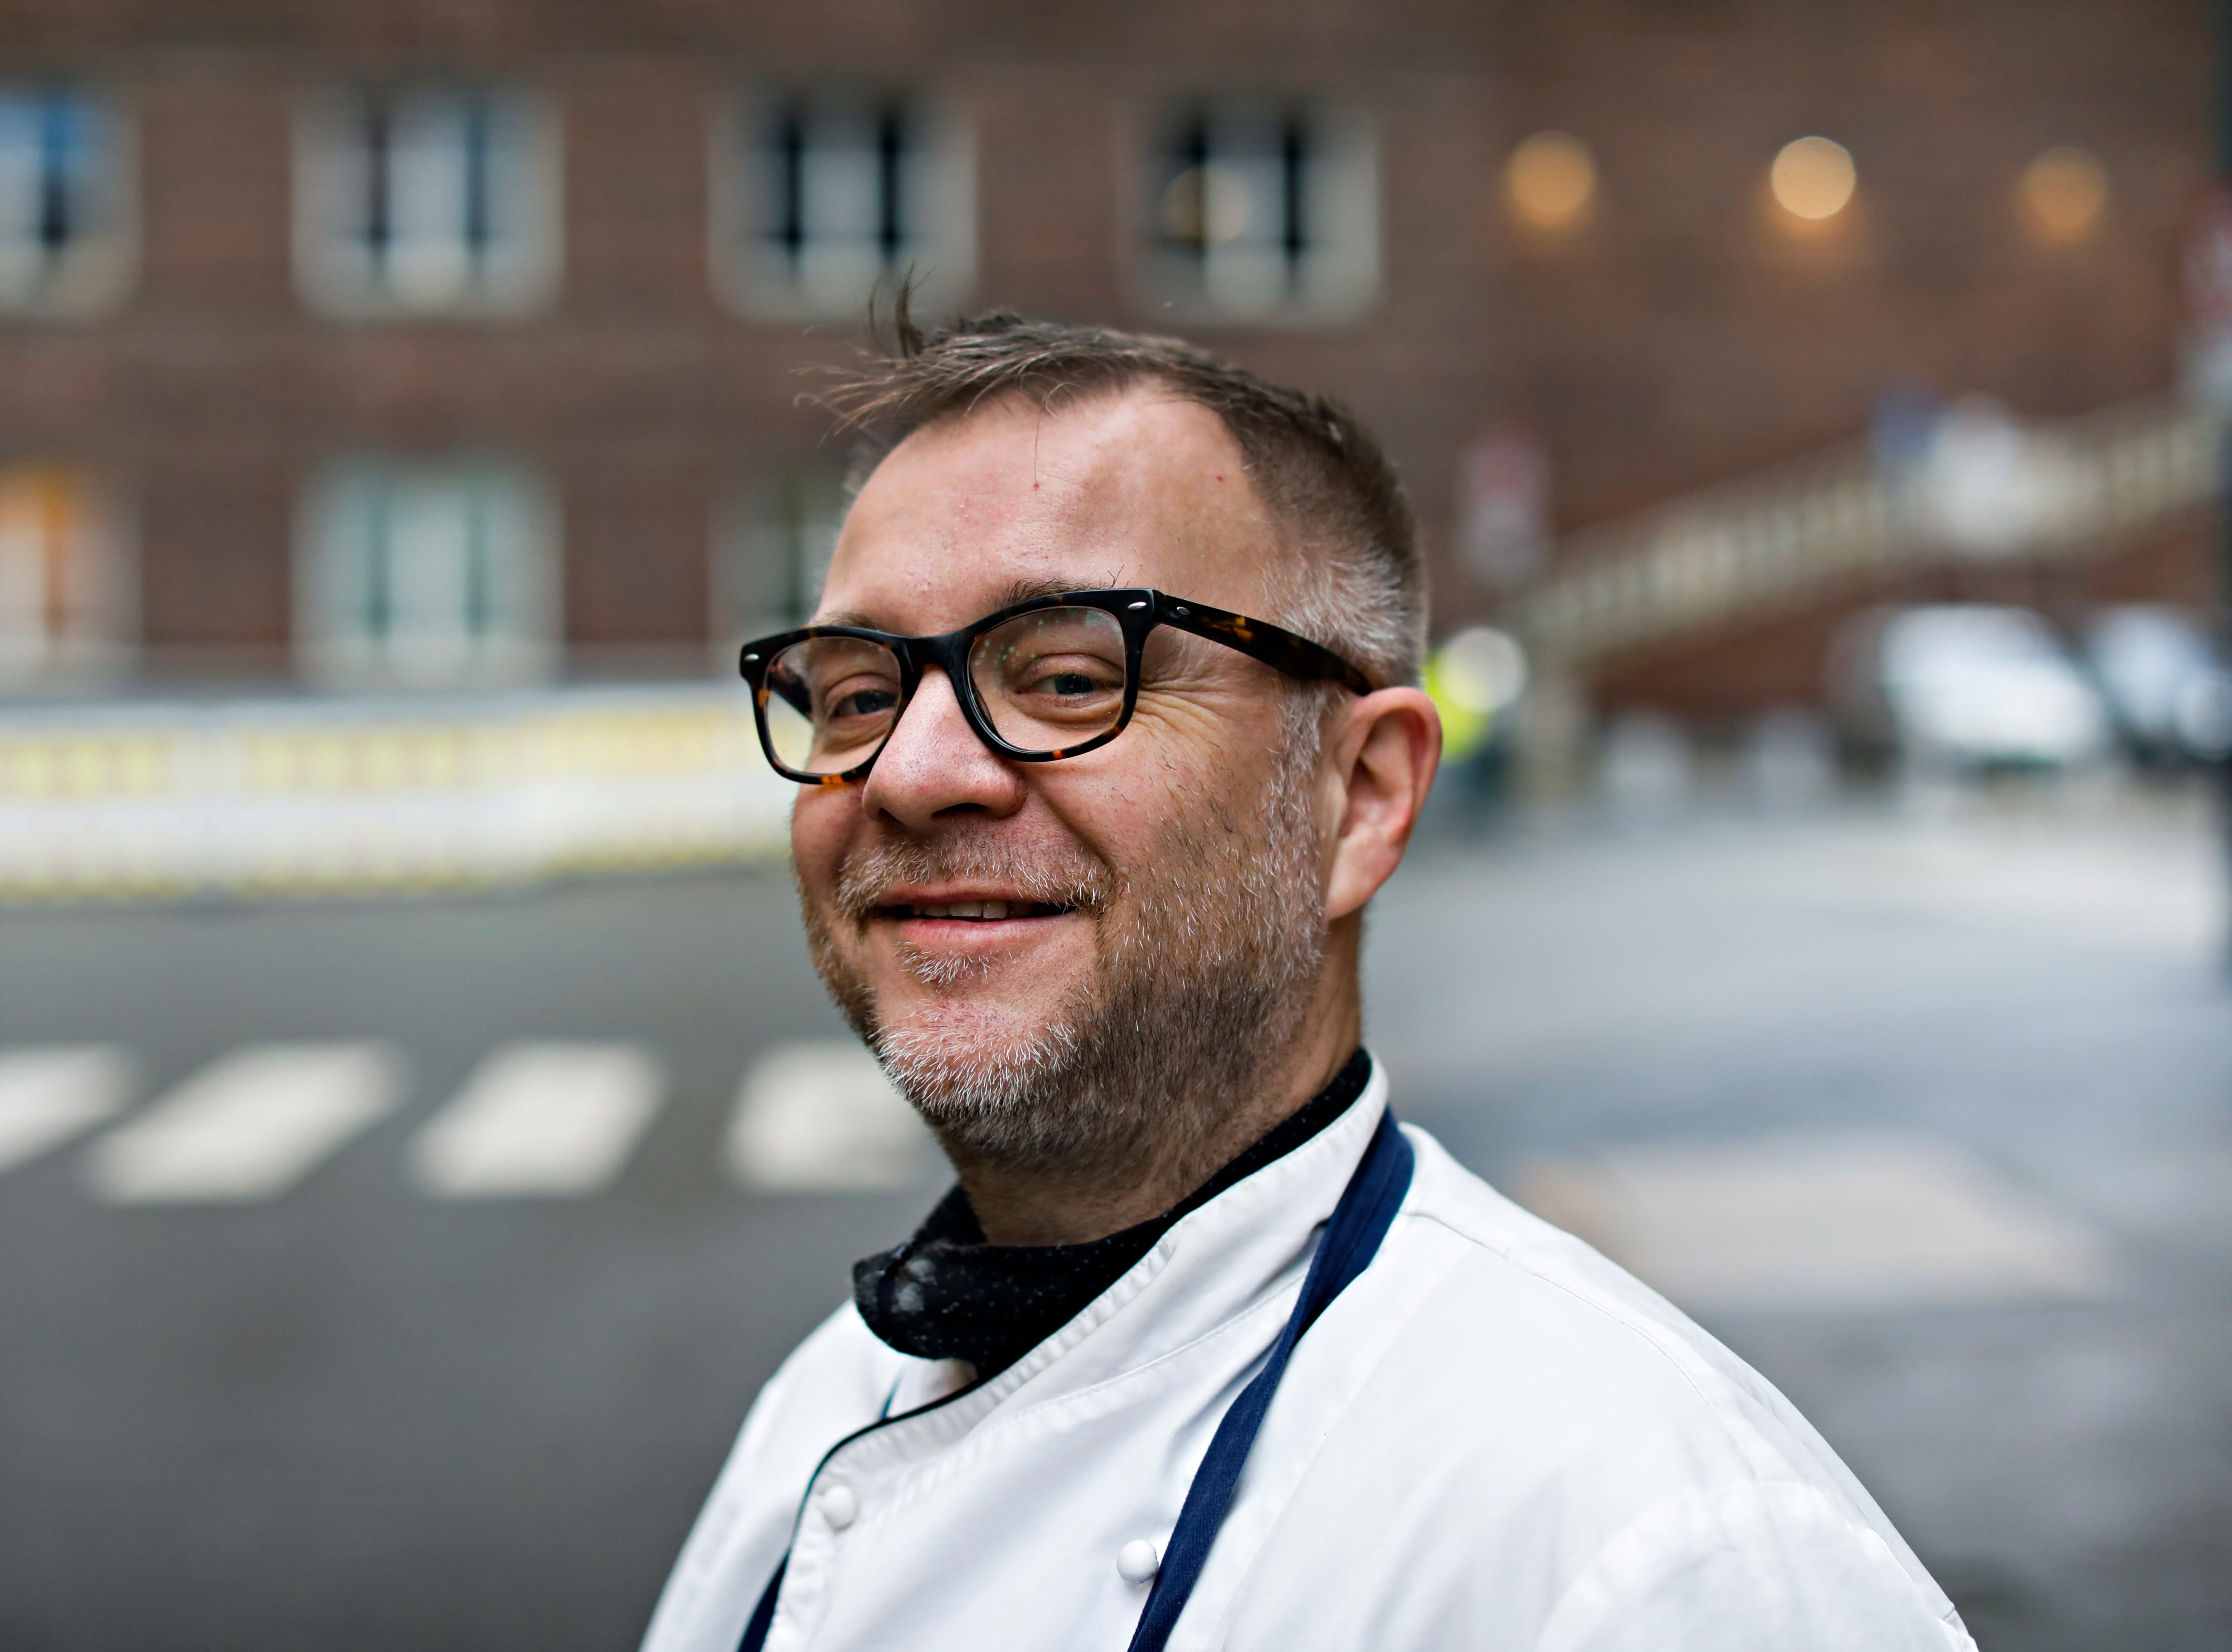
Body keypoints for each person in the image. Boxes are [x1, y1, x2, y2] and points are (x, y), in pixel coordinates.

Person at [642, 313, 1974, 1652]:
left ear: (1360, 797)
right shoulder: (825, 1406)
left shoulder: (1655, 1553)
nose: (911, 772)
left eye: (1067, 676)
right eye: (857, 696)